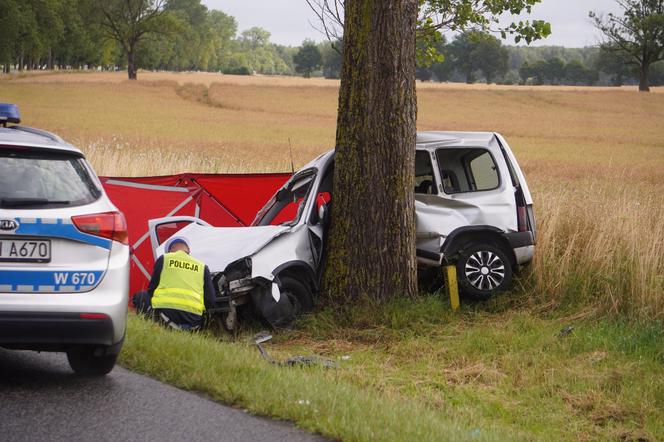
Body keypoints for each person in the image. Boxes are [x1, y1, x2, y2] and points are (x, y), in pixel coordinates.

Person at [134, 237, 215, 330]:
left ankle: (148, 328)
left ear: (170, 250)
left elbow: (151, 289)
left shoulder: (165, 259)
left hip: (164, 319)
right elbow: (210, 301)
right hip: (193, 324)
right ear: (188, 250)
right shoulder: (202, 267)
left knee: (141, 296)